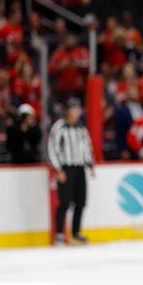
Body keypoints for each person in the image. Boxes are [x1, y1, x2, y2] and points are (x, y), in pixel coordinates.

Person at [47, 98, 94, 245]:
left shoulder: (82, 129)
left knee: (81, 202)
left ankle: (75, 232)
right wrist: (58, 169)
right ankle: (60, 234)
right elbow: (52, 149)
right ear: (67, 110)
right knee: (65, 202)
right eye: (73, 108)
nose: (76, 112)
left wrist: (90, 164)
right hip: (66, 168)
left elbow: (87, 147)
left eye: (78, 108)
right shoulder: (59, 127)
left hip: (80, 168)